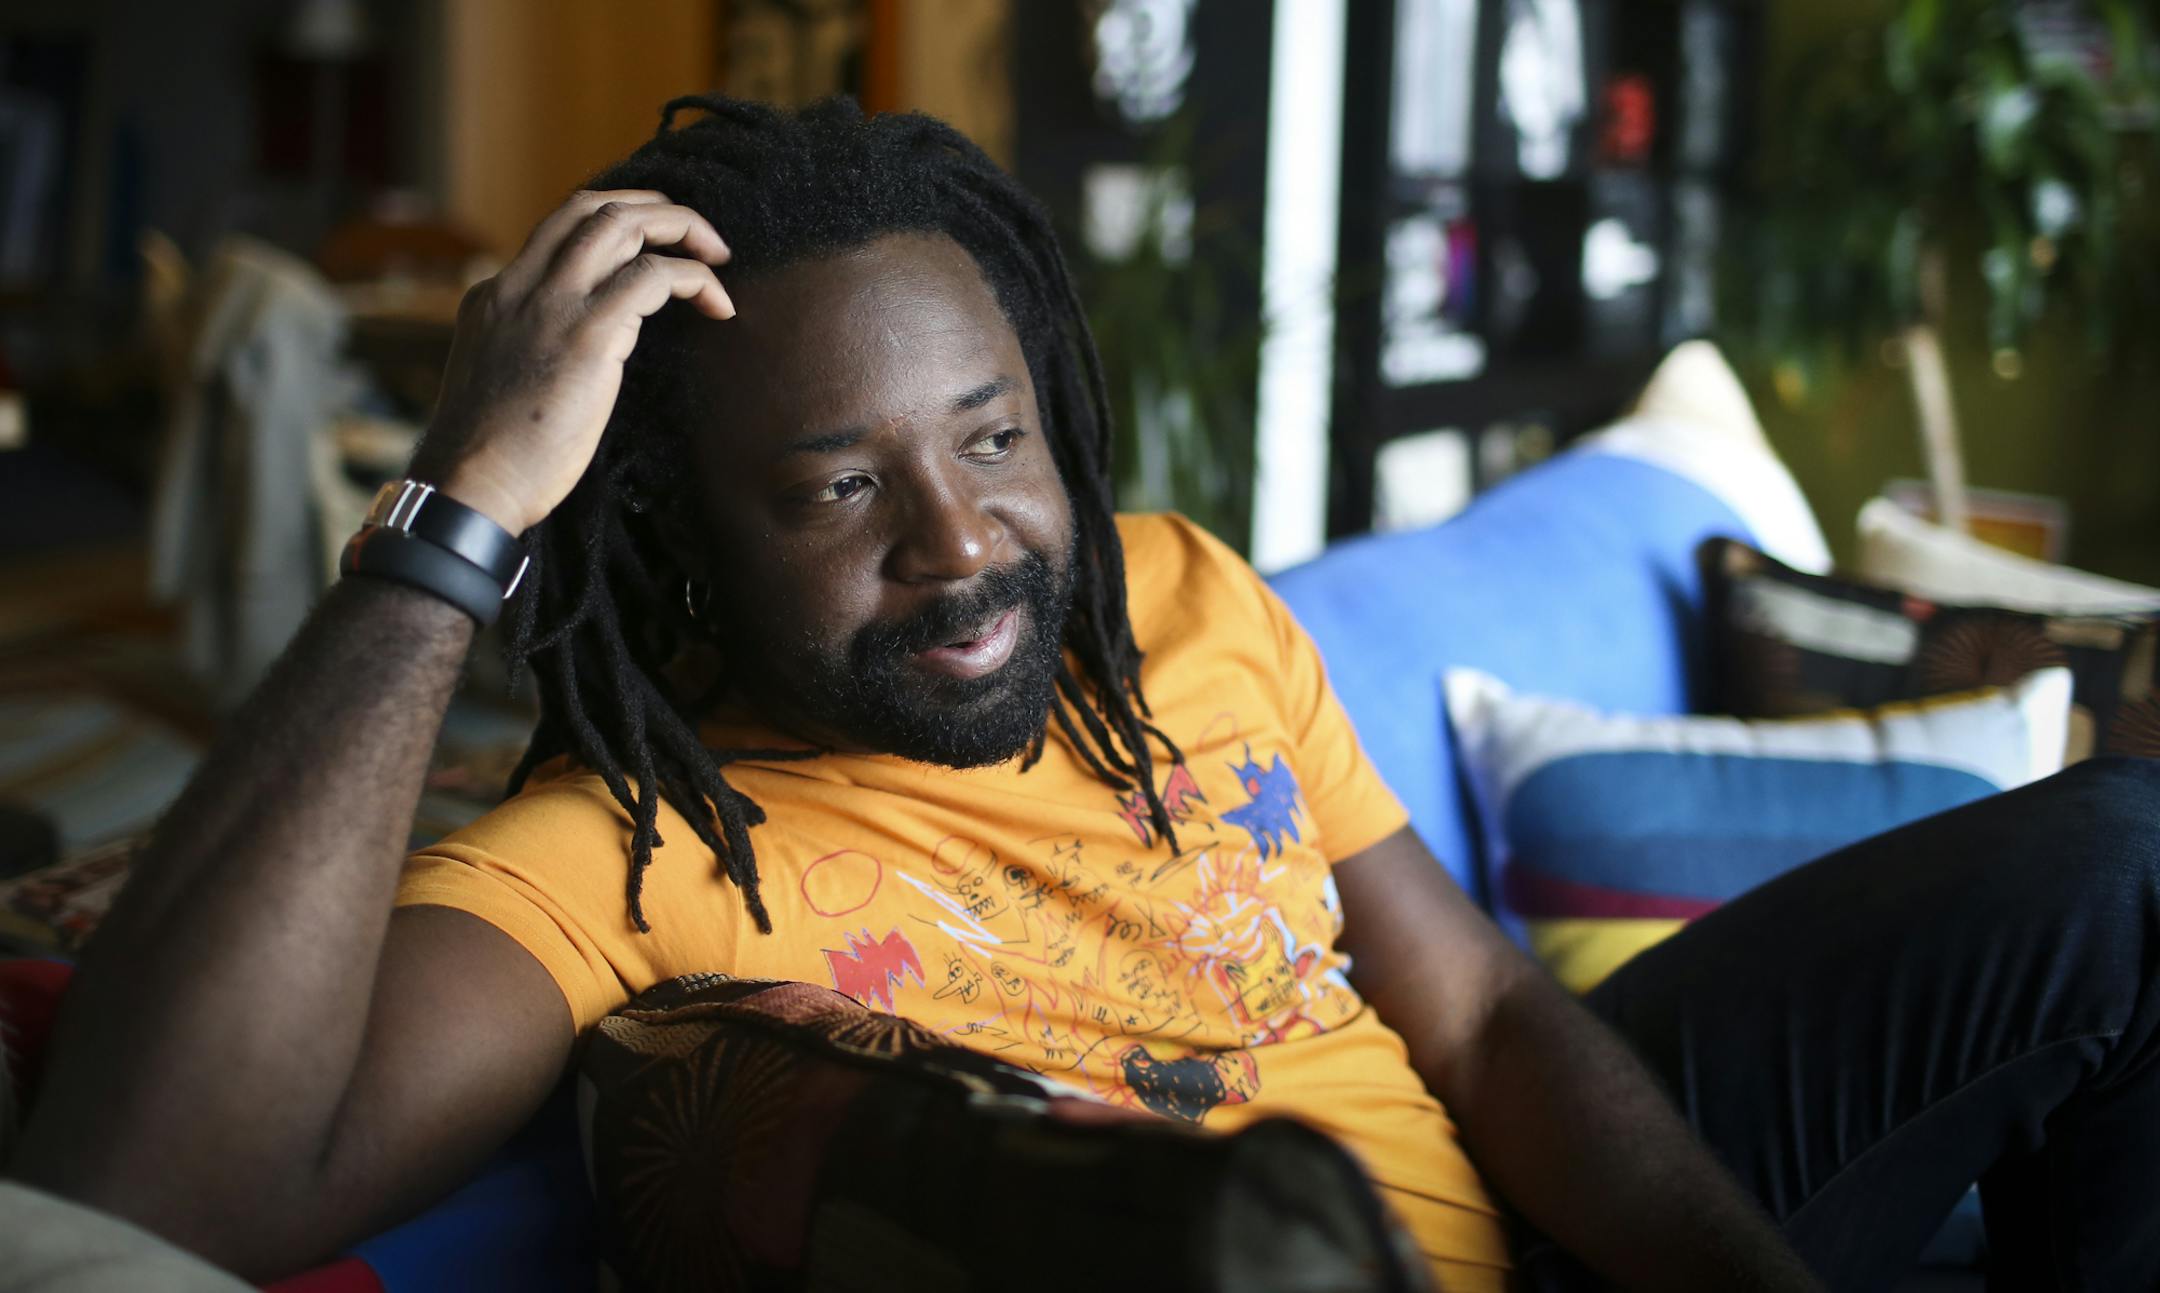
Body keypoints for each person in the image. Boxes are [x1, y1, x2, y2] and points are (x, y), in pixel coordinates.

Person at [11, 97, 2158, 1292]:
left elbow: (1491, 1012)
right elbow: (159, 1192)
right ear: (680, 539)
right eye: (840, 486)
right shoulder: (637, 846)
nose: (960, 543)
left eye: (994, 436)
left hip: (1567, 1213)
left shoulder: (1173, 601)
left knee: (2126, 860)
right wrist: (464, 504)